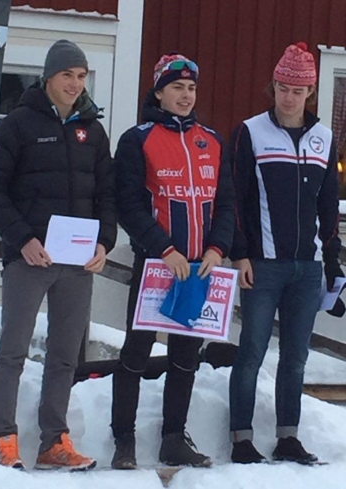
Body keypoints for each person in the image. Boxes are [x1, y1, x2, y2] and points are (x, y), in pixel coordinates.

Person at [0, 39, 116, 470]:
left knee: (64, 355)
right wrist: (22, 239)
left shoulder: (93, 131)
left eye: (81, 77)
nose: (75, 84)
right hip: (29, 259)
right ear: (48, 77)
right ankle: (4, 439)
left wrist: (105, 243)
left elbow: (107, 195)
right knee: (13, 351)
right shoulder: (18, 125)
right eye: (67, 76)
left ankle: (54, 441)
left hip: (77, 264)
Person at [111, 53, 235, 469]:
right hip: (157, 266)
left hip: (199, 269)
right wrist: (163, 248)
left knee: (186, 355)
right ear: (159, 91)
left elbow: (227, 204)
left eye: (192, 88)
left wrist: (218, 248)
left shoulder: (213, 140)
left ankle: (172, 437)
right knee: (136, 353)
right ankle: (123, 440)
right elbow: (128, 204)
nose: (185, 95)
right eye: (177, 87)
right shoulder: (137, 138)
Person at [228, 42, 344, 464]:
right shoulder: (250, 132)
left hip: (307, 268)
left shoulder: (324, 138)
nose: (288, 97)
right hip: (263, 264)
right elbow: (235, 199)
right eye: (282, 88)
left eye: (297, 91)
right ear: (272, 87)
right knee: (252, 351)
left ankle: (288, 437)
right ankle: (242, 438)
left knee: (296, 357)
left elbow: (328, 206)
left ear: (310, 92)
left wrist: (332, 263)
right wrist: (240, 255)